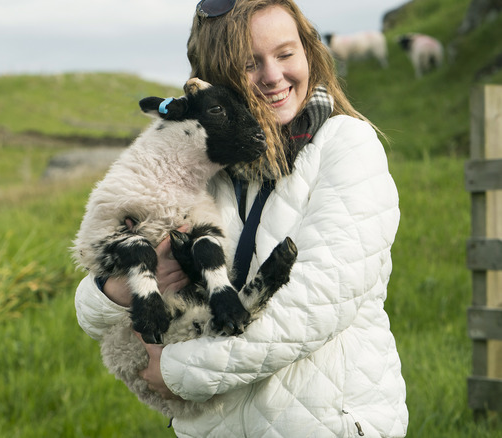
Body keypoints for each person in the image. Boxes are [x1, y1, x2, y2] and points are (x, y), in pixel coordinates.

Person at [74, 0, 409, 436]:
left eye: (286, 54)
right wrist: (116, 290)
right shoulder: (203, 159)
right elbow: (92, 305)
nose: (273, 76)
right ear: (219, 77)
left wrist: (177, 371)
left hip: (322, 422)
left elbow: (314, 306)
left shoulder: (347, 147)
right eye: (251, 64)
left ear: (309, 51)